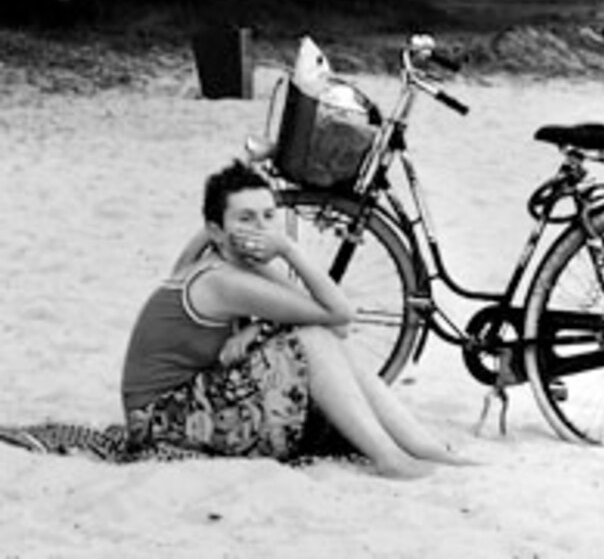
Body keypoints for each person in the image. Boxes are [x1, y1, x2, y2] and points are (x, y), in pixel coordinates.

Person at [118, 160, 468, 475]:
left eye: (269, 217)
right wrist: (288, 248)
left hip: (188, 403)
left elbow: (338, 326)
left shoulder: (231, 263)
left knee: (320, 336)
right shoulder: (220, 280)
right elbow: (339, 314)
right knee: (313, 339)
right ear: (216, 231)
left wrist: (258, 323)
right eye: (246, 219)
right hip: (159, 423)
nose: (262, 230)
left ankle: (423, 448)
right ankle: (387, 456)